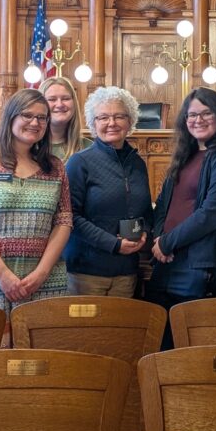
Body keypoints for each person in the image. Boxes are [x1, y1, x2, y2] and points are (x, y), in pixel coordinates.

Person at [0, 88, 72, 316]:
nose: (35, 122)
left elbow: (64, 221)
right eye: (27, 115)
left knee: (42, 350)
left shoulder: (55, 167)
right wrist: (2, 275)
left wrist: (41, 274)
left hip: (43, 280)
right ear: (11, 117)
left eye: (42, 117)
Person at [148, 87, 216, 349]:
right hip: (168, 264)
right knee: (164, 344)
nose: (198, 120)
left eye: (206, 113)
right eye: (192, 115)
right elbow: (163, 205)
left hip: (204, 266)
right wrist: (159, 239)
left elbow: (211, 214)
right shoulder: (185, 156)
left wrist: (168, 243)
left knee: (196, 346)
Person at [63, 86, 151, 297]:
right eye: (103, 117)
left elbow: (146, 210)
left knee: (119, 330)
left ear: (130, 121)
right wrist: (114, 244)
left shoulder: (138, 164)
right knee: (88, 330)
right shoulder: (79, 162)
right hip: (86, 272)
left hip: (127, 272)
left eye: (119, 116)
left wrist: (144, 232)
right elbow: (70, 216)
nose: (111, 123)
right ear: (94, 123)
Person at [40, 76, 91, 162]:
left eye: (66, 98)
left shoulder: (89, 148)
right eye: (52, 99)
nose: (60, 105)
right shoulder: (28, 148)